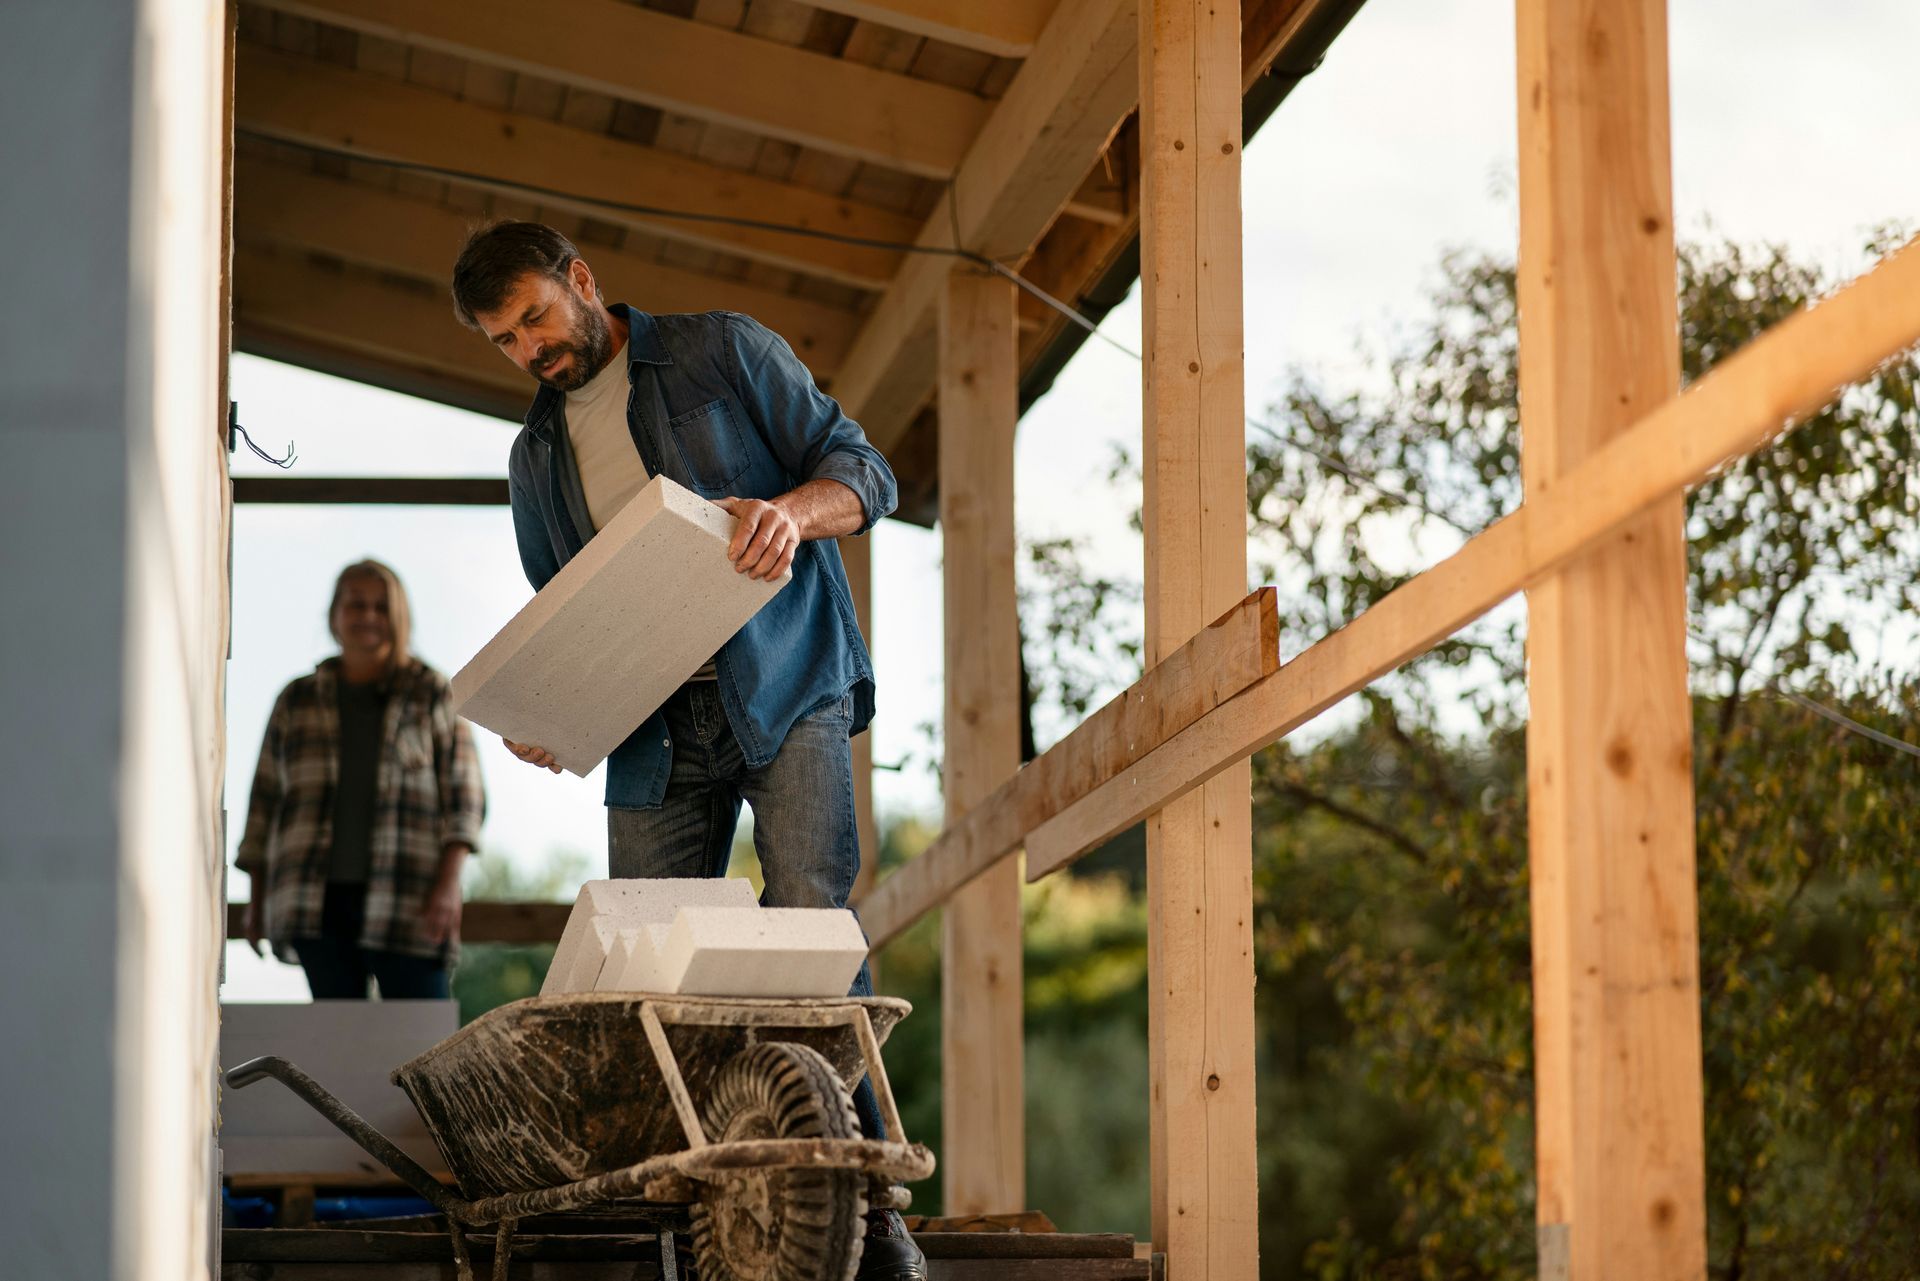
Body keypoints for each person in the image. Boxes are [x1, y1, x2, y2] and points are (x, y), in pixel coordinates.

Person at [450, 222, 922, 1279]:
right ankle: (696, 1234)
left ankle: (865, 1214)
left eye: (533, 316)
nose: (528, 348)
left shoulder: (724, 352)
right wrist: (554, 711)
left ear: (582, 280)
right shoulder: (533, 460)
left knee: (811, 927)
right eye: (503, 340)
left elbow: (864, 471)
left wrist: (794, 518)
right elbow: (568, 612)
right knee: (647, 984)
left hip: (788, 682)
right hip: (656, 738)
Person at [237, 560, 485, 1000]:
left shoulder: (431, 692)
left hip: (411, 897)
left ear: (398, 618)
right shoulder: (296, 699)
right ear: (334, 615)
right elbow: (263, 803)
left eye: (380, 607)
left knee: (420, 1042)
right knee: (339, 1050)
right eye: (355, 605)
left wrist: (448, 888)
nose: (368, 617)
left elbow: (464, 799)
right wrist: (257, 898)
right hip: (315, 903)